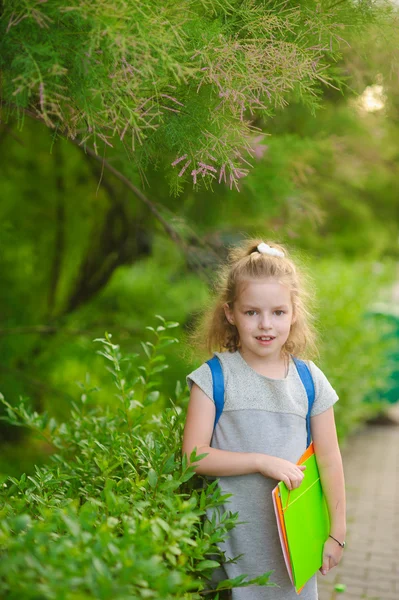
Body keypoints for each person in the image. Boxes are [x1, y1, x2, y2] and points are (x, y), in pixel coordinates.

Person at [182, 239, 346, 600]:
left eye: (278, 312)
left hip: (292, 548)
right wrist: (260, 462)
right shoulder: (213, 378)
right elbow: (193, 456)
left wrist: (336, 533)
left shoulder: (309, 379)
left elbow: (330, 459)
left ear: (294, 312)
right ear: (230, 313)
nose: (265, 324)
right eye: (251, 312)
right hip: (229, 548)